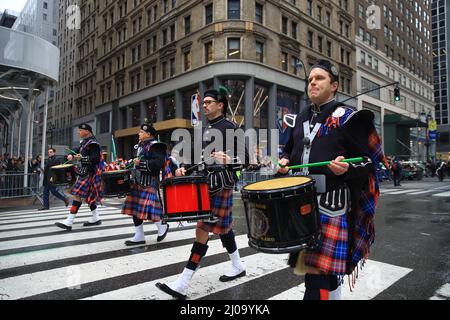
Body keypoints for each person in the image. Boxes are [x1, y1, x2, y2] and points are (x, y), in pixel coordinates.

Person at [278, 60, 384, 300]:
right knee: (318, 272)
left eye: (319, 78)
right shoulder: (300, 118)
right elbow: (289, 150)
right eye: (310, 79)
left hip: (330, 206)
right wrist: (284, 162)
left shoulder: (348, 117)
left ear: (334, 86)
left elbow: (369, 162)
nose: (312, 82)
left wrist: (347, 168)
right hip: (301, 204)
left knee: (316, 274)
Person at [155, 87, 247, 300]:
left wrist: (230, 160)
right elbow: (199, 160)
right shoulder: (205, 130)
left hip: (221, 185)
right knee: (224, 229)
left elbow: (248, 160)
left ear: (220, 105)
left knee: (202, 229)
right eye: (203, 102)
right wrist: (182, 168)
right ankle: (238, 265)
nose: (204, 105)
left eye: (208, 102)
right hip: (206, 185)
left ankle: (183, 283)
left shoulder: (232, 128)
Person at [121, 124, 169, 245]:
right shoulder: (141, 146)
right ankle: (139, 235)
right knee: (136, 209)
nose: (139, 134)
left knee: (149, 208)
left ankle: (162, 226)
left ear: (148, 134)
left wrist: (140, 163)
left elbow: (158, 163)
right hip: (137, 180)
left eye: (141, 132)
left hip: (149, 181)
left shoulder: (156, 146)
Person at [55, 123, 103, 230]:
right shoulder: (85, 142)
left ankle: (69, 221)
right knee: (88, 197)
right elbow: (78, 149)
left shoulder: (93, 143)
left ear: (87, 131)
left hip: (90, 173)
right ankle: (96, 217)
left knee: (77, 195)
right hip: (85, 172)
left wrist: (81, 158)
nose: (78, 132)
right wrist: (72, 154)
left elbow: (95, 159)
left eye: (80, 130)